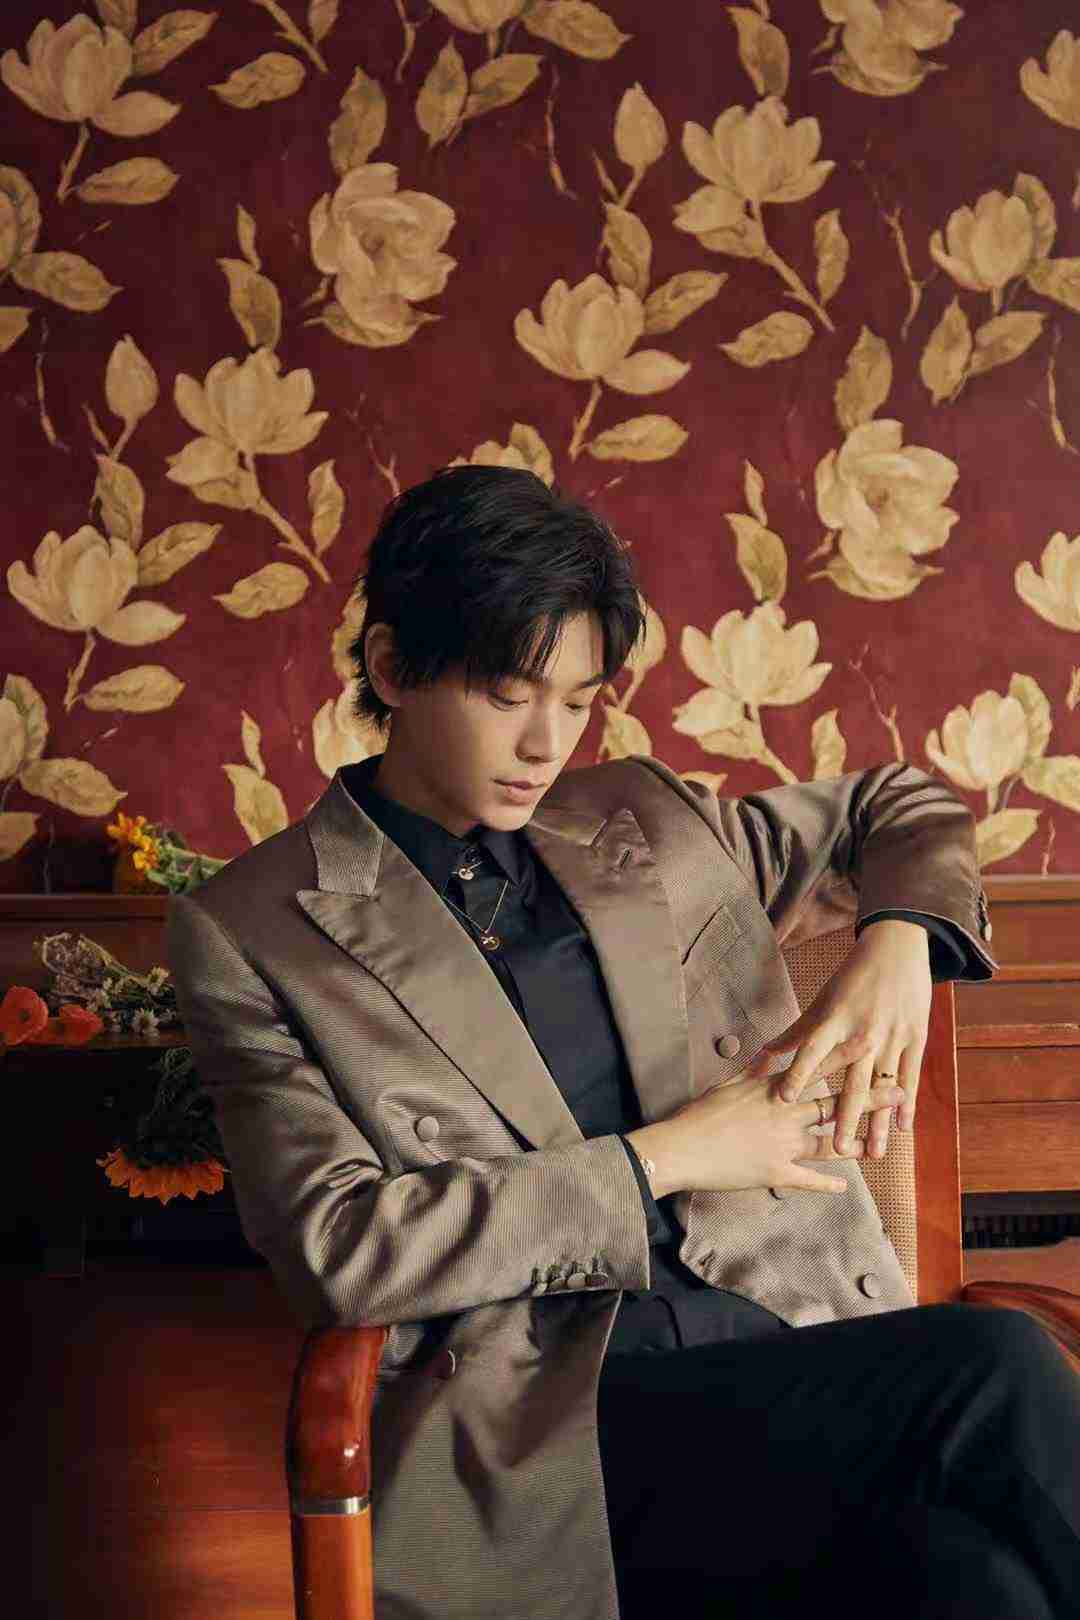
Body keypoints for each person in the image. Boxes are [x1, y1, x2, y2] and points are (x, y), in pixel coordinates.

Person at [166, 465, 1080, 1620]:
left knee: (979, 1581)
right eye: (509, 695)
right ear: (391, 668)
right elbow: (339, 1248)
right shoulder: (255, 931)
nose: (546, 742)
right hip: (556, 1434)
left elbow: (902, 805)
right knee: (994, 1366)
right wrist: (667, 1157)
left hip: (790, 1358)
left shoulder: (646, 818)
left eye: (578, 699)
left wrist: (902, 940)